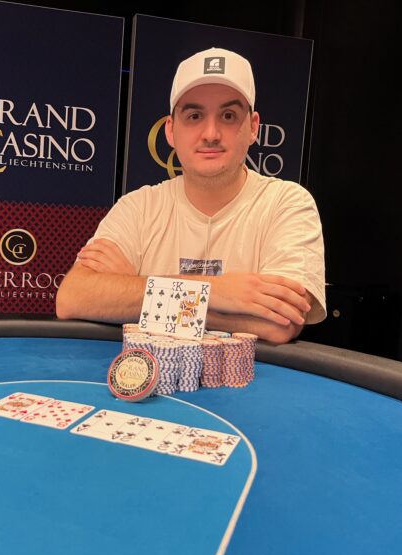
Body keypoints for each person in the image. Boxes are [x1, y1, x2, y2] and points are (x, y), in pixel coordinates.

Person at [56, 47, 325, 344]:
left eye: (228, 115)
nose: (210, 133)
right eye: (194, 116)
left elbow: (280, 324)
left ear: (253, 127)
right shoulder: (138, 207)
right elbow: (72, 298)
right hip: (150, 374)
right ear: (171, 131)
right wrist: (217, 292)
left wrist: (136, 290)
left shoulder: (287, 203)